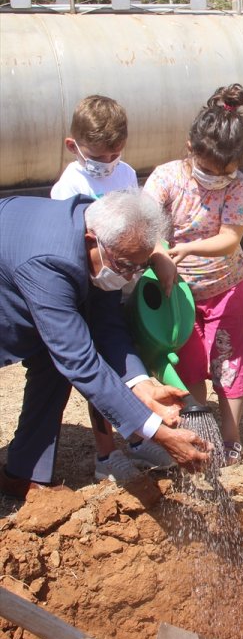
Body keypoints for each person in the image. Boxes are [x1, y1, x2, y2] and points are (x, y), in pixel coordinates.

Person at [0, 191, 210, 499]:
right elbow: (81, 362)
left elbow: (108, 325)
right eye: (126, 266)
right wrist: (156, 432)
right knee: (64, 356)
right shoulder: (51, 261)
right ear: (90, 241)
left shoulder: (103, 229)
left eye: (137, 267)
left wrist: (142, 388)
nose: (128, 276)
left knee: (52, 366)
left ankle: (23, 472)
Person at [51, 95, 175, 484]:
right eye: (98, 157)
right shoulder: (68, 186)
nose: (107, 165)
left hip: (118, 287)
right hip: (87, 290)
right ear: (73, 146)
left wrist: (158, 254)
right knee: (99, 372)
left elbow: (137, 223)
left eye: (115, 155)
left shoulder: (123, 175)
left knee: (129, 362)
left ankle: (136, 439)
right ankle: (106, 454)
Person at [144, 84, 243, 467]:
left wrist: (188, 250)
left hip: (228, 287)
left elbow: (230, 239)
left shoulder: (238, 185)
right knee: (188, 364)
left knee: (229, 362)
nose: (215, 178)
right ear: (190, 148)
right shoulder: (166, 178)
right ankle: (200, 433)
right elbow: (147, 227)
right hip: (179, 293)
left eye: (224, 172)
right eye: (207, 170)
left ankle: (231, 436)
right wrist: (161, 255)